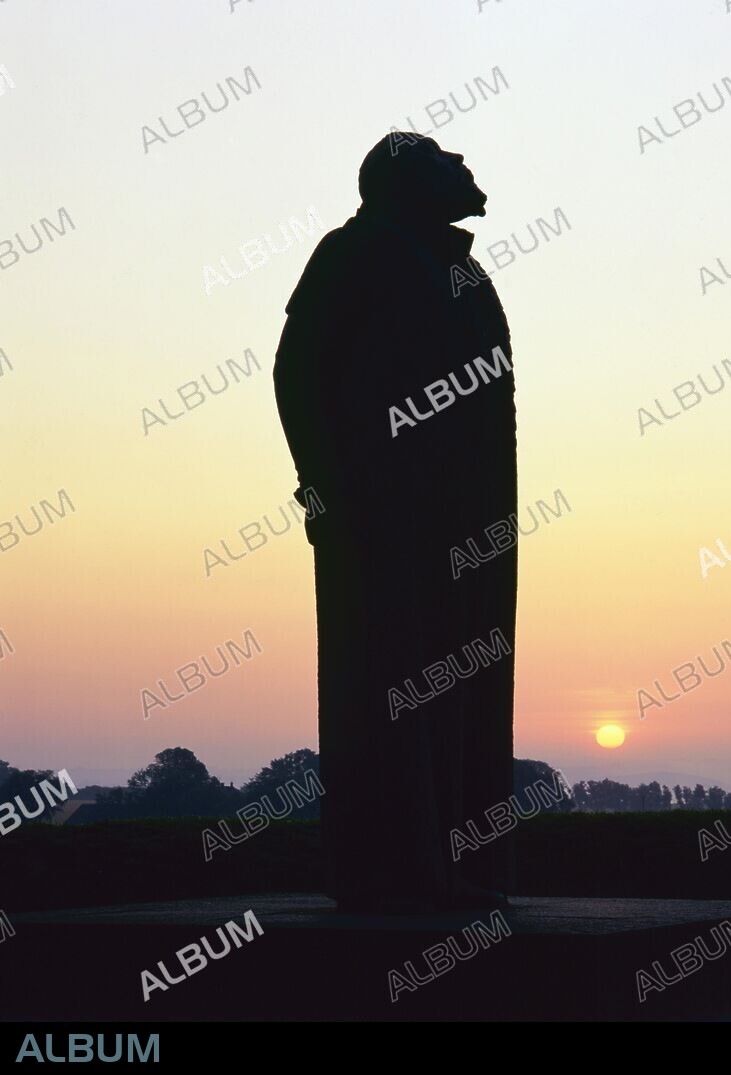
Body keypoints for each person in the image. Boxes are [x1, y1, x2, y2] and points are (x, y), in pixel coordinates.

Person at [274, 134, 518, 912]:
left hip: (469, 518)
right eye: (444, 155)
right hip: (382, 510)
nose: (463, 161)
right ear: (403, 180)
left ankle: (452, 858)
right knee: (387, 681)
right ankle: (393, 868)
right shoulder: (356, 253)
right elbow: (296, 369)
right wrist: (322, 489)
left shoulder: (460, 268)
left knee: (464, 684)